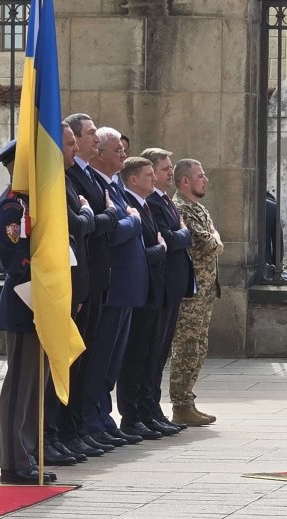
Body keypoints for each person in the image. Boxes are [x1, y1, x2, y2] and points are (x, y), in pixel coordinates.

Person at [0, 140, 60, 484]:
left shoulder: (33, 201)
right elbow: (14, 259)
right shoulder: (12, 206)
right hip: (24, 302)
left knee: (36, 387)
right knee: (20, 386)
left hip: (42, 302)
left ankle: (28, 456)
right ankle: (13, 461)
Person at [79, 127, 144, 447]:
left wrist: (128, 217)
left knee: (111, 363)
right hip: (111, 285)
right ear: (100, 152)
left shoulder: (112, 186)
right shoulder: (97, 186)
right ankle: (93, 421)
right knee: (100, 360)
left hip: (126, 288)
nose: (123, 154)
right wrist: (132, 219)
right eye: (117, 149)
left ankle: (103, 418)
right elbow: (115, 231)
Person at [61, 113, 121, 455]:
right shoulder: (72, 178)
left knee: (90, 362)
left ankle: (80, 427)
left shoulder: (84, 177)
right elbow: (87, 225)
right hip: (78, 280)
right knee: (74, 363)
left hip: (93, 278)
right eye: (90, 134)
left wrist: (103, 216)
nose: (95, 139)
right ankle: (70, 429)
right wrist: (110, 215)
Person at [44, 123, 96, 464]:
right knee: (51, 372)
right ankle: (49, 436)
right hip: (51, 292)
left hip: (74, 285)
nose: (75, 150)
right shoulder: (51, 183)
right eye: (69, 143)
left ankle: (63, 433)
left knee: (73, 368)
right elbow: (74, 224)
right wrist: (90, 211)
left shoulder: (64, 179)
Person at [115, 156, 168, 441]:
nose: (154, 179)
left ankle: (147, 412)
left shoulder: (145, 205)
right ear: (133, 179)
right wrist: (161, 248)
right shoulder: (129, 204)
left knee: (150, 356)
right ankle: (131, 416)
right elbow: (140, 253)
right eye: (149, 174)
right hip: (140, 290)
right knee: (134, 358)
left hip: (154, 291)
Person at [141, 147, 192, 435]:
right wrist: (182, 234)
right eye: (163, 169)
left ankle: (153, 408)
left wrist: (181, 234)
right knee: (150, 353)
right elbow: (173, 239)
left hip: (172, 287)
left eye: (170, 168)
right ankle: (145, 410)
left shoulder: (163, 201)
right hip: (159, 286)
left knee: (160, 354)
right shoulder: (155, 204)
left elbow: (180, 236)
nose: (169, 173)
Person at [169, 159, 221, 427]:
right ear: (185, 181)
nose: (206, 180)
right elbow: (205, 241)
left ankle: (188, 401)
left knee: (199, 347)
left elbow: (212, 238)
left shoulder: (198, 208)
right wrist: (215, 239)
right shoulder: (182, 208)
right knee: (187, 347)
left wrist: (214, 238)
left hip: (205, 291)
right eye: (200, 176)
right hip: (191, 292)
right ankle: (180, 405)